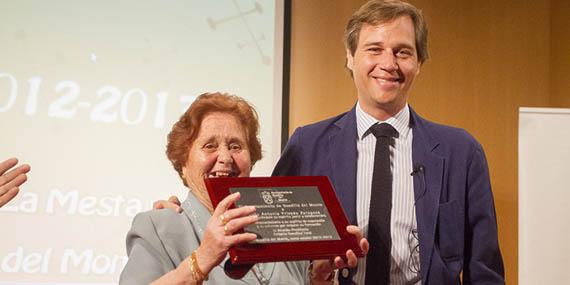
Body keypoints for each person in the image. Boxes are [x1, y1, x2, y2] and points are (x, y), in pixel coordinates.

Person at [272, 0, 505, 284]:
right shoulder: (306, 146)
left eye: (402, 52)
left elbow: (485, 272)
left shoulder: (462, 152)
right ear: (350, 56)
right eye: (374, 49)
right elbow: (273, 260)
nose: (388, 63)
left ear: (419, 62)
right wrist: (314, 274)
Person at [120, 93, 368, 284]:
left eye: (236, 146)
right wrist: (204, 257)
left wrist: (318, 276)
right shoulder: (158, 227)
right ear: (183, 162)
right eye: (209, 146)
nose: (225, 158)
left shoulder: (283, 225)